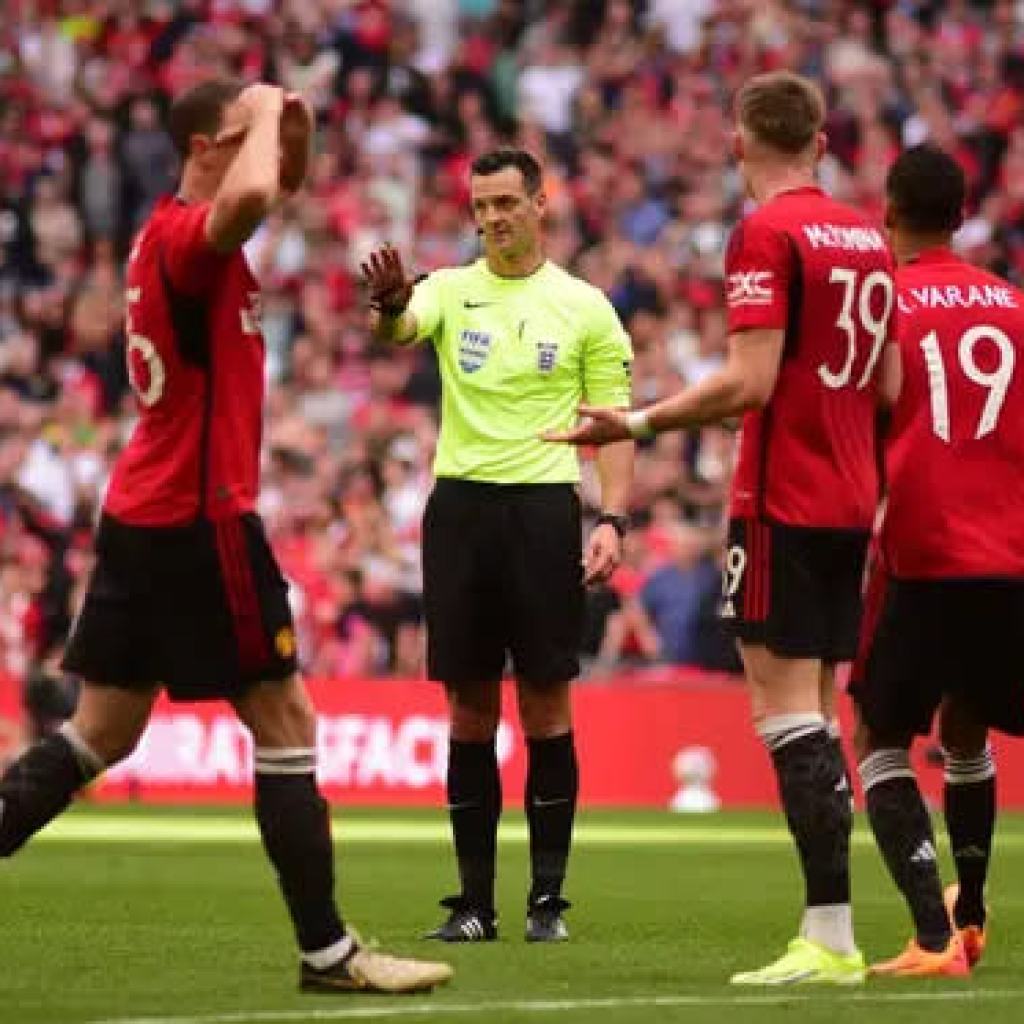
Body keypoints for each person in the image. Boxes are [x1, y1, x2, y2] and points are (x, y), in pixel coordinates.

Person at [0, 78, 452, 996]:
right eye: (245, 136)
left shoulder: (177, 237)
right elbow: (250, 193)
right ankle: (329, 953)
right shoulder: (188, 238)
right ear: (207, 143)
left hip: (144, 513)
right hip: (200, 521)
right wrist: (258, 95)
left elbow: (272, 180)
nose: (268, 153)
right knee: (286, 721)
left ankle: (329, 950)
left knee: (101, 732)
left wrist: (287, 111)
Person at [546, 71, 896, 984]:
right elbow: (891, 387)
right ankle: (859, 929)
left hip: (783, 497)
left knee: (787, 722)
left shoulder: (766, 231)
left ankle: (830, 937)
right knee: (818, 716)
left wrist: (637, 423)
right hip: (854, 500)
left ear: (739, 146)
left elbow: (749, 382)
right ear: (822, 142)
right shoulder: (867, 235)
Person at [362, 147, 635, 943]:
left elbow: (613, 425)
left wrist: (613, 519)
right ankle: (474, 905)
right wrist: (384, 306)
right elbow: (400, 328)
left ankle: (547, 903)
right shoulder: (449, 289)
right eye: (480, 206)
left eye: (506, 203)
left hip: (546, 510)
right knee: (468, 707)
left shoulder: (584, 307)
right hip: (462, 514)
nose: (491, 218)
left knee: (548, 702)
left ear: (541, 204)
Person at [849, 144, 1024, 978]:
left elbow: (864, 415)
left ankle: (930, 937)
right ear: (962, 215)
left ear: (889, 211)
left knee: (880, 739)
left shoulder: (887, 305)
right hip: (1011, 555)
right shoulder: (1014, 307)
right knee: (969, 723)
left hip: (922, 549)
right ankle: (974, 909)